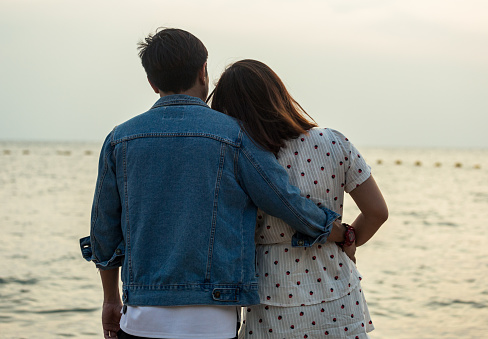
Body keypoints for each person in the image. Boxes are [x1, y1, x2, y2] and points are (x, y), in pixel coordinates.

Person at [79, 29, 350, 339]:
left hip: (140, 317)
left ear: (152, 83)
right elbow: (285, 201)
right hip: (212, 321)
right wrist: (336, 230)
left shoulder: (119, 139)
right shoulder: (235, 136)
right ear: (203, 72)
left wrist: (110, 299)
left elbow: (104, 232)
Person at [209, 59, 388, 338]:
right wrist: (348, 238)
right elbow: (377, 212)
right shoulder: (333, 142)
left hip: (273, 294)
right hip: (338, 292)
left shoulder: (240, 156)